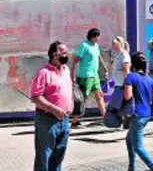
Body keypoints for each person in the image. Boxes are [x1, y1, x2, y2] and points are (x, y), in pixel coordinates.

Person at [31, 42, 74, 171]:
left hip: (64, 120)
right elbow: (35, 97)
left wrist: (71, 104)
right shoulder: (43, 73)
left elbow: (69, 89)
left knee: (58, 156)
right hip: (47, 120)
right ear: (54, 55)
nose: (67, 56)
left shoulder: (66, 69)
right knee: (44, 156)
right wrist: (53, 109)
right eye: (64, 53)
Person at [70, 29, 106, 127]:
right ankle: (74, 121)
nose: (99, 38)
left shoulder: (96, 46)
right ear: (93, 36)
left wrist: (105, 69)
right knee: (82, 98)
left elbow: (99, 57)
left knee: (99, 95)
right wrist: (72, 75)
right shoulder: (84, 46)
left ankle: (106, 118)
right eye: (98, 36)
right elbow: (75, 59)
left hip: (95, 76)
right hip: (85, 76)